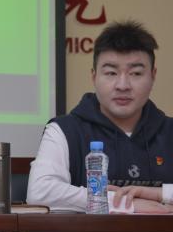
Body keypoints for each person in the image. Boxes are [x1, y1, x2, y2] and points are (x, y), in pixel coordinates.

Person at [27, 21, 173, 212]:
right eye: (111, 73)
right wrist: (125, 204)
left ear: (153, 76)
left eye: (136, 73)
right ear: (94, 76)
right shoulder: (64, 130)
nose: (122, 85)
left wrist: (161, 194)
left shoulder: (169, 131)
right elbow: (39, 192)